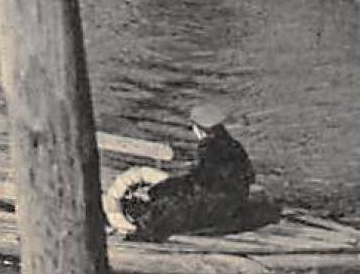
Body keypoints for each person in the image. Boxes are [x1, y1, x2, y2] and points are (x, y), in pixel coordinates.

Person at [110, 101, 258, 243]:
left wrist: (160, 190)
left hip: (215, 208)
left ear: (198, 128)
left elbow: (197, 183)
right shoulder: (234, 146)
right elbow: (249, 176)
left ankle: (140, 235)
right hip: (235, 203)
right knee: (175, 196)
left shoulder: (209, 148)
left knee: (169, 207)